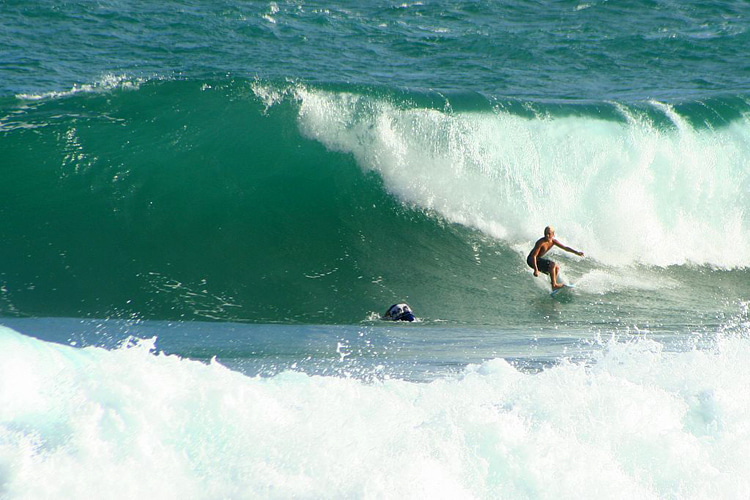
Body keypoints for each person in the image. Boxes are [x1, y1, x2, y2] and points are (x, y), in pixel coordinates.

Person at [527, 226, 584, 290]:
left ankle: (553, 286)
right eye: (545, 233)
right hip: (531, 260)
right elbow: (534, 256)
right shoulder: (540, 242)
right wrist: (536, 270)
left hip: (537, 259)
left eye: (549, 234)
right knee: (552, 264)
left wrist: (576, 252)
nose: (547, 235)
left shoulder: (553, 242)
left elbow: (565, 248)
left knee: (556, 268)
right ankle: (554, 285)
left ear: (553, 234)